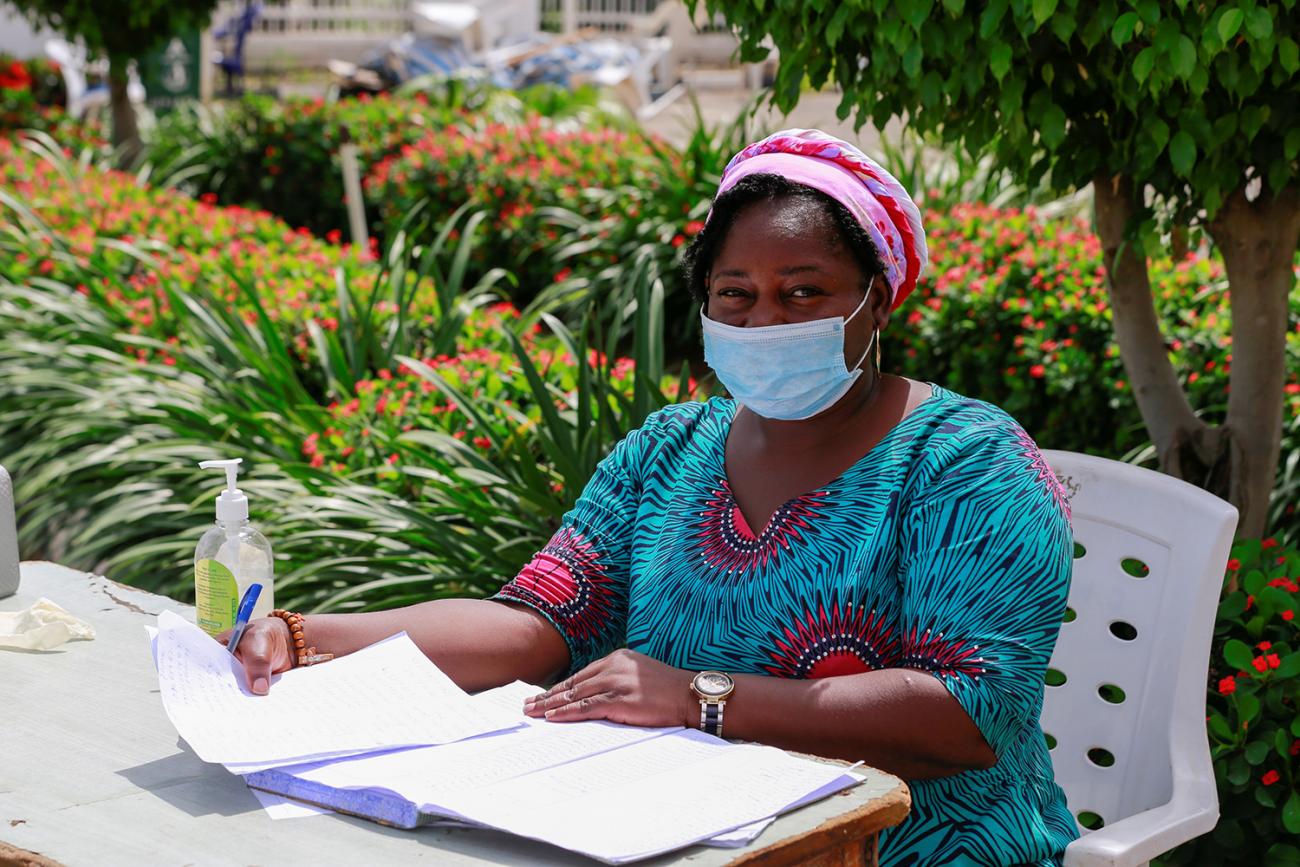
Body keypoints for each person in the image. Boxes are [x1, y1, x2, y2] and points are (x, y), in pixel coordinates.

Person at [224, 129, 1079, 866]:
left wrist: (701, 698)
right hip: (675, 832)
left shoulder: (965, 463)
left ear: (877, 297)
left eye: (804, 292)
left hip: (909, 847)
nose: (765, 321)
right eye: (735, 294)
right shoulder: (671, 451)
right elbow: (536, 620)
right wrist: (307, 636)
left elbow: (972, 715)